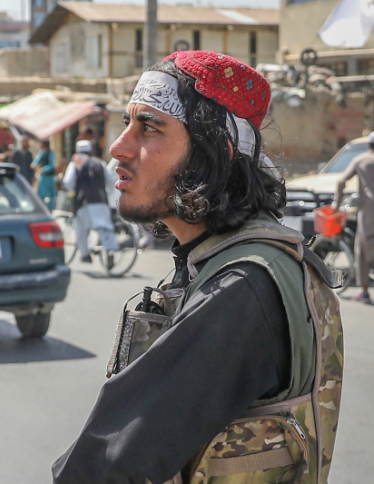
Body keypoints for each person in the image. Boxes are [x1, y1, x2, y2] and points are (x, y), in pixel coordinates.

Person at [52, 51, 343, 483]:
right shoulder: (214, 259)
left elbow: (108, 467)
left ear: (216, 153)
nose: (118, 147)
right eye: (128, 122)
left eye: (149, 127)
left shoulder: (243, 284)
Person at [62, 139, 119, 266]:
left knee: (81, 229)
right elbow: (111, 181)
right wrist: (106, 194)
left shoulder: (75, 162)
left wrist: (71, 191)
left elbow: (68, 182)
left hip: (82, 202)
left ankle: (85, 254)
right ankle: (110, 250)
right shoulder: (100, 163)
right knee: (104, 227)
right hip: (100, 200)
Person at [335, 131, 374, 303]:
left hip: (369, 211)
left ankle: (364, 291)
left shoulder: (361, 160)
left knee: (361, 250)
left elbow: (341, 181)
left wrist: (337, 204)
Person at [32, 140, 56, 211]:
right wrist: (34, 164)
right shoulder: (42, 152)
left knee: (51, 193)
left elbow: (51, 165)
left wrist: (43, 169)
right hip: (43, 176)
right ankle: (41, 208)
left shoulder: (50, 153)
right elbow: (37, 159)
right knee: (40, 193)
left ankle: (51, 208)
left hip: (49, 176)